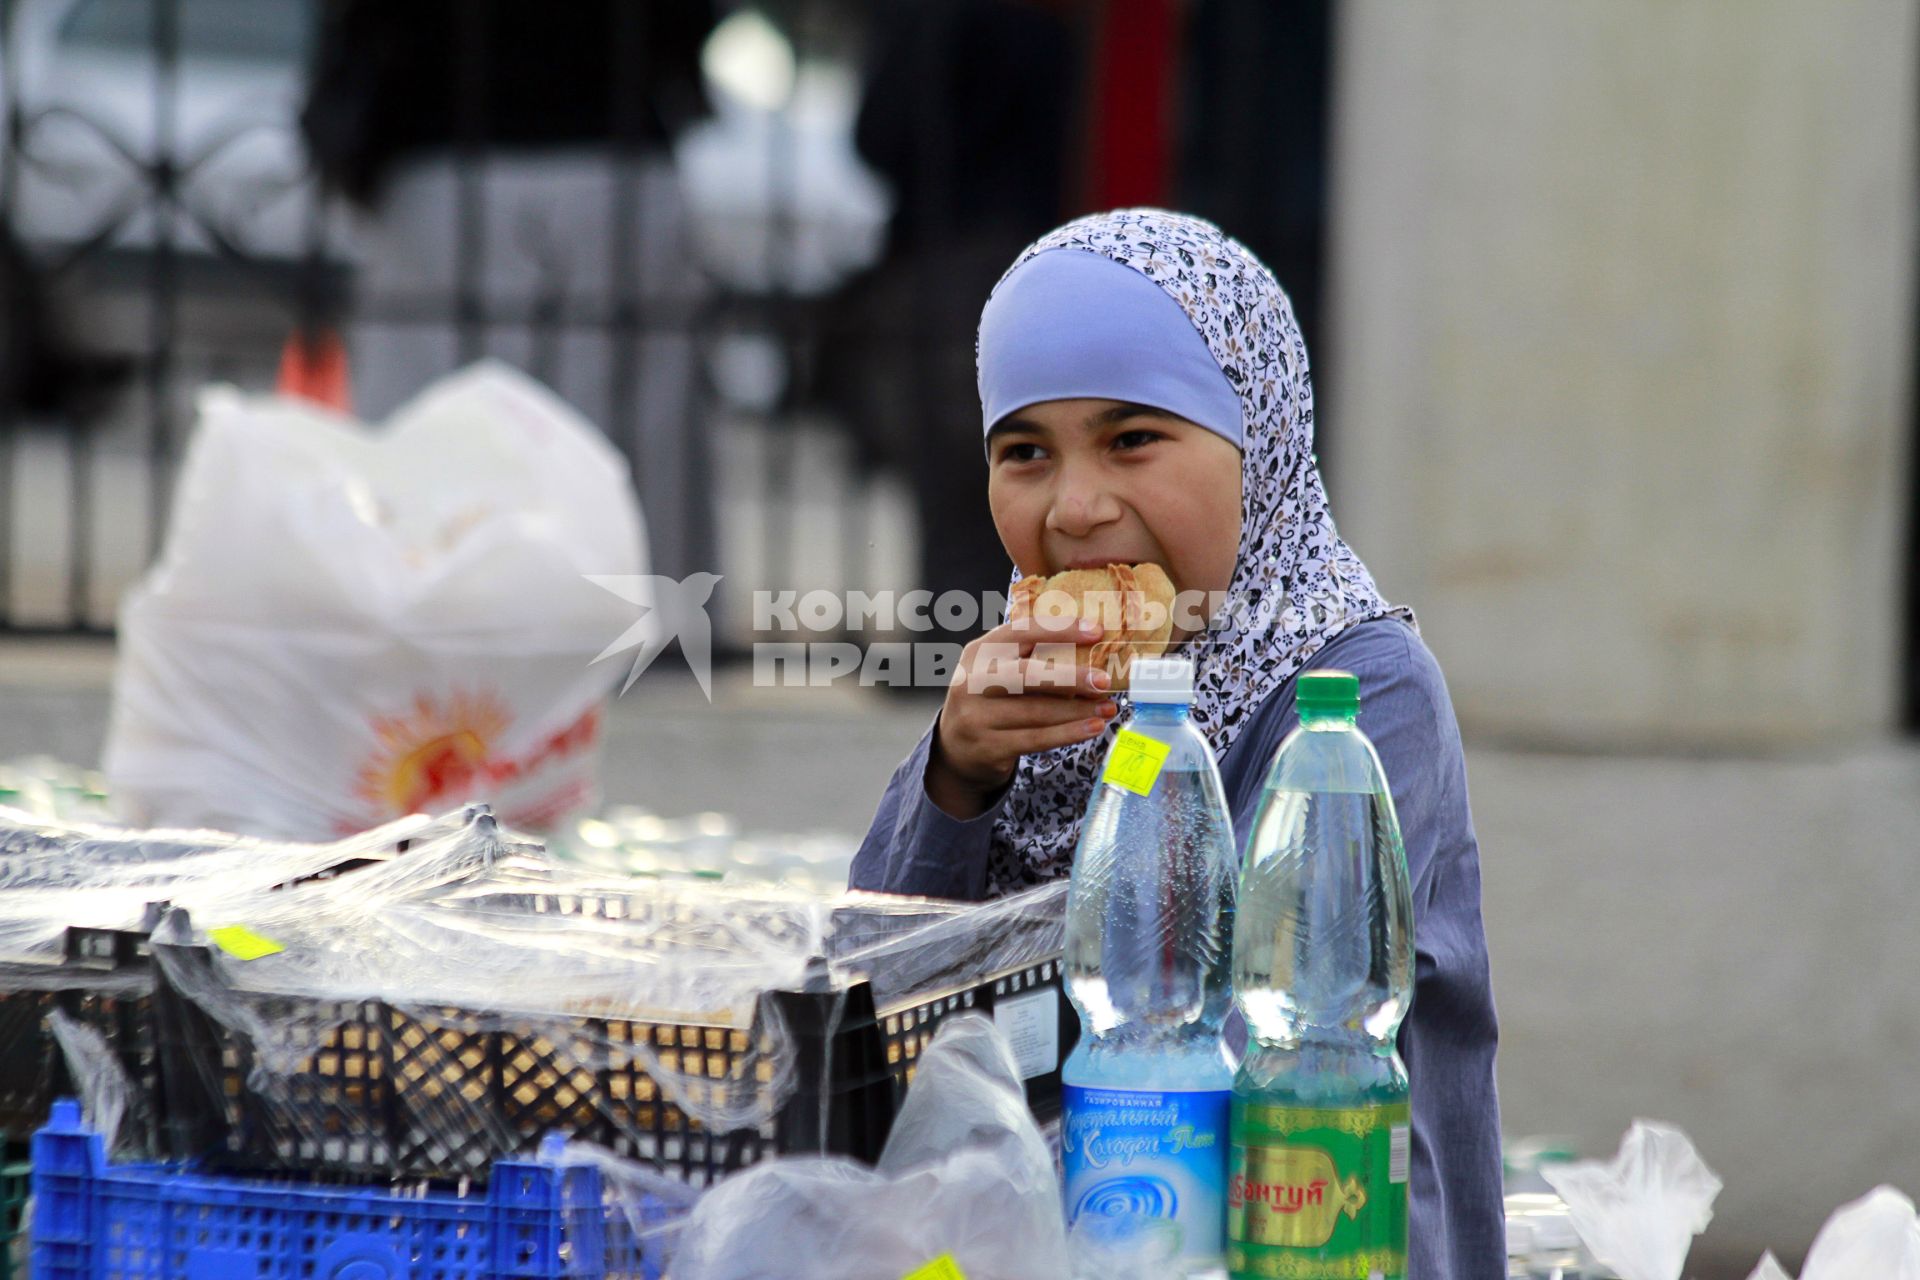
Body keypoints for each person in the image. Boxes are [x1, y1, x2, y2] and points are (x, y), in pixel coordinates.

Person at [849, 209, 1504, 1277]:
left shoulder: (1356, 694)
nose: (1075, 506)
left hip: (1314, 1239)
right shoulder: (1025, 690)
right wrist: (955, 774)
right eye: (1024, 451)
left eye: (1132, 438)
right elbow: (881, 1002)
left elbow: (1271, 1042)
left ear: (1262, 438)